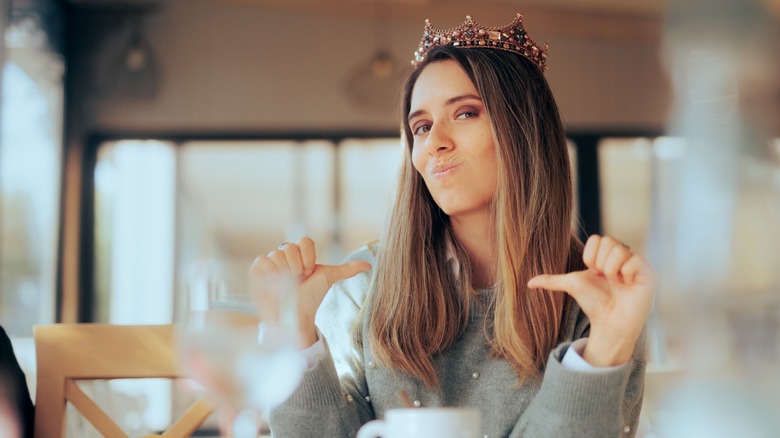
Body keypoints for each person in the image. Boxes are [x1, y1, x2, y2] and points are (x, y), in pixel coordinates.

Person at [255, 13, 656, 438]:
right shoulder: (362, 285)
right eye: (421, 127)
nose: (434, 143)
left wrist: (605, 349)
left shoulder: (599, 296)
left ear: (524, 129)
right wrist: (294, 336)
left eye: (465, 113)